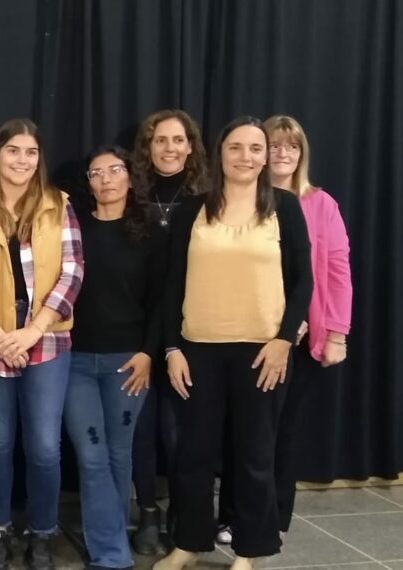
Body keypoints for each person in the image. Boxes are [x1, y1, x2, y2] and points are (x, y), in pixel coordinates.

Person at [154, 116, 312, 570]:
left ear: (265, 156)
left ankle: (249, 550)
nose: (247, 157)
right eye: (236, 148)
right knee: (193, 455)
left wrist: (284, 340)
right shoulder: (191, 210)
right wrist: (172, 349)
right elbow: (172, 287)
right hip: (198, 349)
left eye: (256, 149)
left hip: (263, 352)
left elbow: (303, 282)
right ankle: (188, 543)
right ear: (220, 154)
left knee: (255, 457)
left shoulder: (284, 206)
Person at [0, 118, 84, 570]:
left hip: (46, 342)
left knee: (46, 446)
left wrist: (33, 330)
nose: (22, 161)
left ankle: (42, 533)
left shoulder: (57, 205)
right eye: (13, 151)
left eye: (30, 153)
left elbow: (72, 273)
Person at [216, 116, 352, 542]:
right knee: (240, 432)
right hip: (248, 333)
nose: (283, 154)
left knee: (282, 432)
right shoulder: (238, 201)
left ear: (301, 154)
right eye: (274, 145)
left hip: (301, 338)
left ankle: (271, 518)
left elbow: (336, 270)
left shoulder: (320, 204)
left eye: (292, 147)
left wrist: (336, 333)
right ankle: (231, 516)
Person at [65, 146, 166, 570]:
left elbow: (164, 301)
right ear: (87, 182)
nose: (106, 179)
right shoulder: (73, 228)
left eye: (114, 170)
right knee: (90, 455)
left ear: (129, 177)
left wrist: (148, 354)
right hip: (75, 362)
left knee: (118, 454)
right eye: (96, 172)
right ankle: (111, 554)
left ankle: (110, 542)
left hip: (128, 361)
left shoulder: (150, 233)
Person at [127, 109, 209, 554]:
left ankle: (184, 511)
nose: (170, 148)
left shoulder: (208, 198)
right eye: (160, 140)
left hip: (188, 332)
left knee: (180, 431)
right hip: (136, 332)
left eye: (178, 140)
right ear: (148, 146)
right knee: (140, 428)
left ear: (191, 146)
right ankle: (148, 515)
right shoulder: (131, 194)